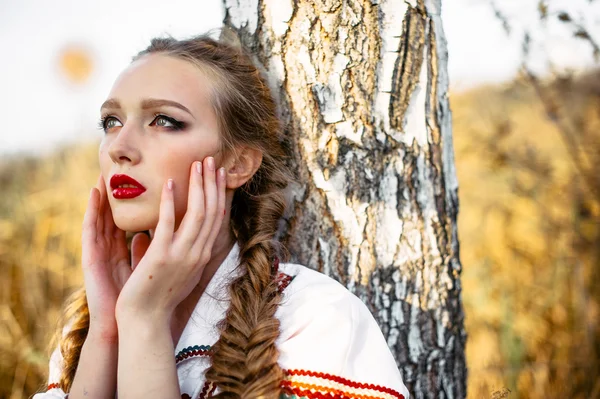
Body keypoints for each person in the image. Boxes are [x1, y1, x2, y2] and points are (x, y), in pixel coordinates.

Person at [34, 33, 409, 399]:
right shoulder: (87, 326)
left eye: (164, 120)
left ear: (237, 164)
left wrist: (144, 320)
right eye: (111, 122)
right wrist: (107, 331)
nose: (119, 147)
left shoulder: (313, 317)